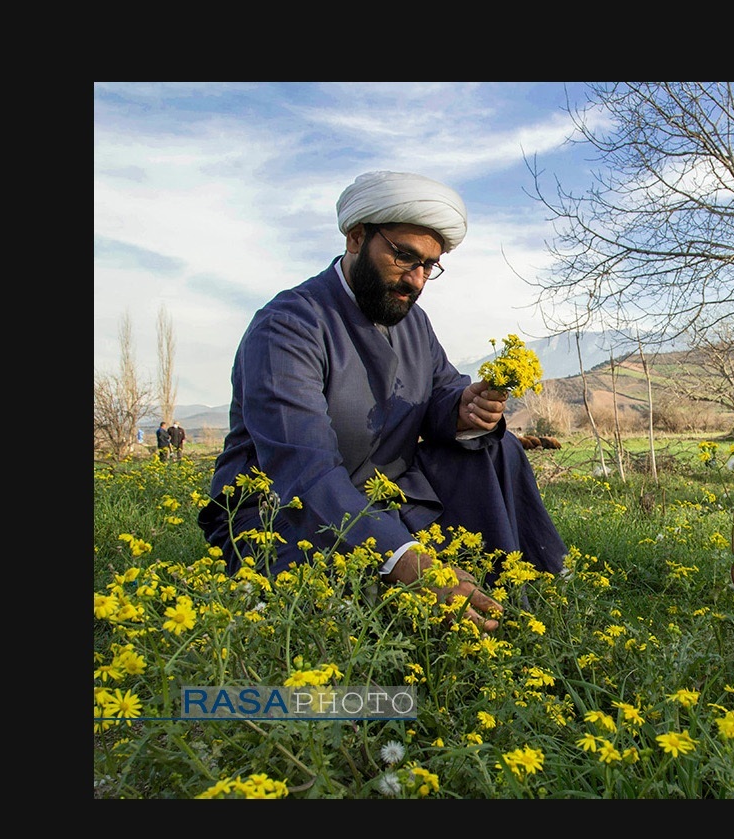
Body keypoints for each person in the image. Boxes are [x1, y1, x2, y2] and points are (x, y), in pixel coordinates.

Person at [198, 170, 567, 631]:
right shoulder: (288, 327)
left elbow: (440, 390)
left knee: (495, 446)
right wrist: (406, 558)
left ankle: (525, 585)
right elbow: (301, 467)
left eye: (429, 266)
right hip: (288, 509)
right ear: (356, 238)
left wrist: (462, 409)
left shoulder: (413, 321)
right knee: (357, 616)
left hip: (386, 496)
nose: (416, 279)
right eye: (404, 256)